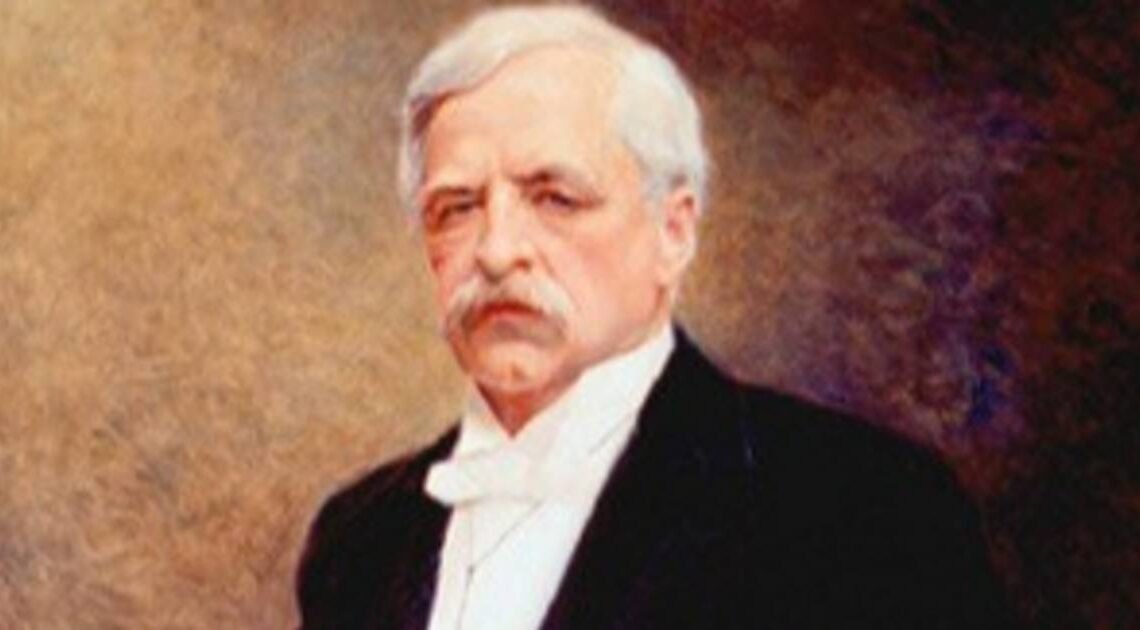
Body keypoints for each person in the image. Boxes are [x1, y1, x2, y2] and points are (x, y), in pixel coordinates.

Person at [295, 4, 1015, 629]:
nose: (497, 250)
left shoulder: (863, 508)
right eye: (456, 208)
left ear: (674, 232)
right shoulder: (361, 537)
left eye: (556, 197)